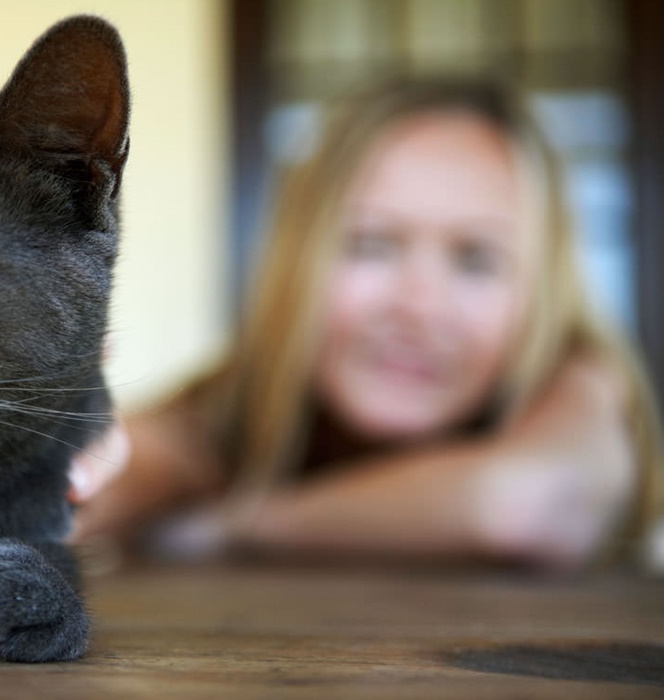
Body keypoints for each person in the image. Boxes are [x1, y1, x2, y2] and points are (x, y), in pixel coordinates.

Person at [70, 77, 664, 572]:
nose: (419, 305)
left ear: (542, 292)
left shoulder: (578, 375)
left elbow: (525, 506)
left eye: (476, 259)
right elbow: (108, 469)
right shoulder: (239, 406)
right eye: (372, 244)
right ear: (296, 265)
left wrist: (241, 524)